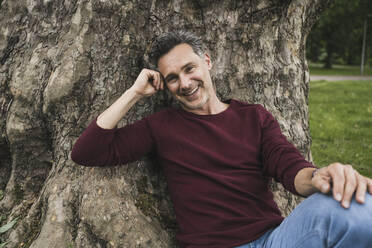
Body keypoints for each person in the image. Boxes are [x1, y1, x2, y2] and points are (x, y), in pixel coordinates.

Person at [71, 30, 372, 248]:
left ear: (207, 62)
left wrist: (321, 177)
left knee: (359, 205)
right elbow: (87, 151)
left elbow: (289, 166)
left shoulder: (254, 117)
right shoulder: (161, 127)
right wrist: (134, 92)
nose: (185, 83)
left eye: (190, 69)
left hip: (275, 241)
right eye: (173, 78)